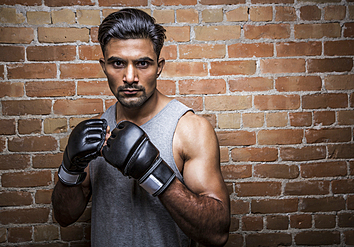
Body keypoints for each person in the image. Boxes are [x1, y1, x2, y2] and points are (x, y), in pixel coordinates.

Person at [52, 8, 230, 247]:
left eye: (142, 63)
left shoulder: (189, 129)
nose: (130, 77)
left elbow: (217, 233)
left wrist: (154, 173)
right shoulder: (97, 132)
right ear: (104, 66)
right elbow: (64, 217)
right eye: (117, 63)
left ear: (159, 66)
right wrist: (69, 169)